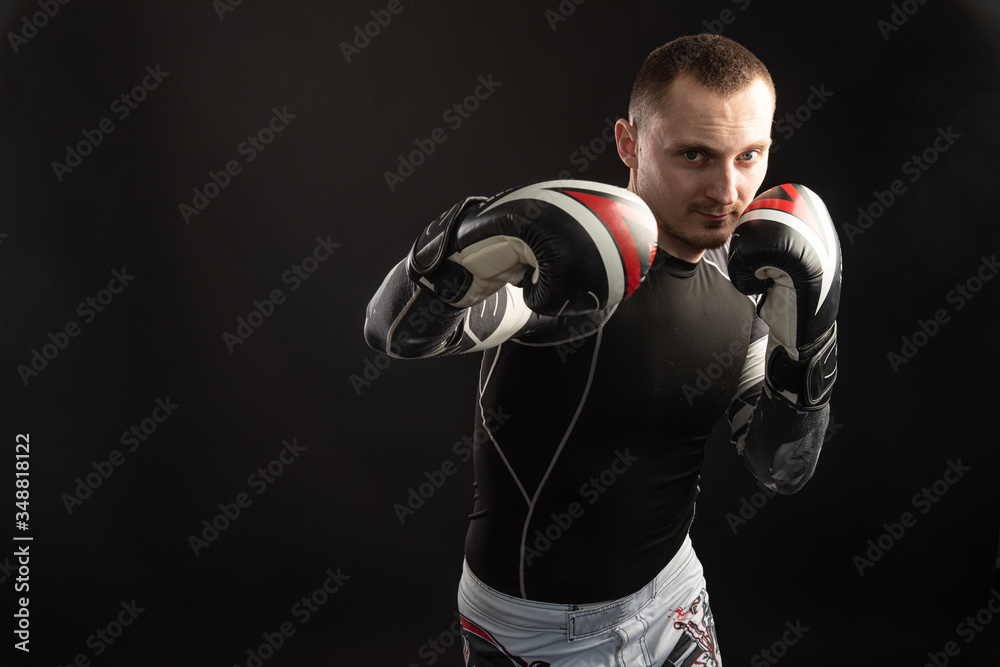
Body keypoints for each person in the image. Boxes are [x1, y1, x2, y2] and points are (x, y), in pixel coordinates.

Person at [365, 34, 841, 667]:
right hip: (537, 633)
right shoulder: (569, 261)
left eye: (749, 155)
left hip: (674, 595)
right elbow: (395, 332)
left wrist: (812, 341)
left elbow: (779, 463)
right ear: (628, 143)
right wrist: (463, 246)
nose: (728, 190)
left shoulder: (751, 270)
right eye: (695, 155)